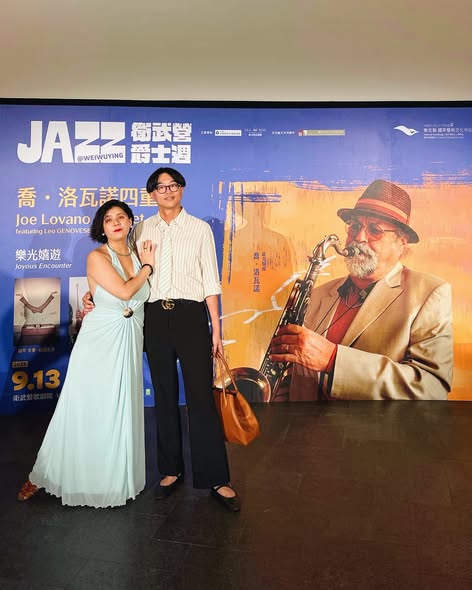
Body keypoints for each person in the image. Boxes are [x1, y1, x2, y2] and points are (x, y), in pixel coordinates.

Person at [84, 167, 241, 512]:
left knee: (200, 397)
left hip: (190, 316)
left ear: (182, 189)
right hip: (154, 318)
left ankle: (217, 478)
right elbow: (123, 271)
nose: (167, 191)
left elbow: (210, 282)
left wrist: (216, 329)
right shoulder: (141, 229)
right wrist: (93, 294)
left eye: (173, 185)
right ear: (151, 194)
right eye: (160, 187)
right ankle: (170, 470)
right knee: (164, 395)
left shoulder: (199, 229)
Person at [17, 199, 155, 507]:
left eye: (121, 216)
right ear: (101, 228)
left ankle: (113, 479)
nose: (116, 222)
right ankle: (45, 474)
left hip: (129, 338)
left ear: (130, 222)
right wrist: (148, 267)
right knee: (87, 407)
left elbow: (135, 294)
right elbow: (124, 291)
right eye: (109, 219)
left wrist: (96, 293)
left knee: (120, 407)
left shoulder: (137, 254)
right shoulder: (97, 256)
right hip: (99, 341)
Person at [269, 179, 453, 401]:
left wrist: (332, 359)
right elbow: (293, 379)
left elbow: (432, 389)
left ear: (402, 243)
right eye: (355, 226)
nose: (359, 237)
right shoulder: (316, 295)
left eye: (374, 230)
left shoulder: (430, 293)